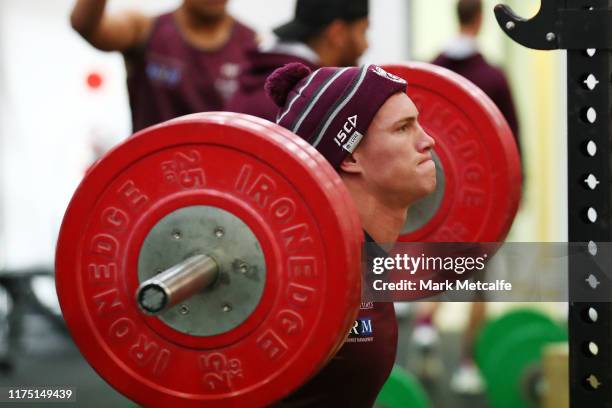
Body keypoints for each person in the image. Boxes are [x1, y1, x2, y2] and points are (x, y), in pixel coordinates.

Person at [264, 63, 436, 407]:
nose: (427, 140)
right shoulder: (313, 276)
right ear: (350, 154)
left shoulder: (365, 258)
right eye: (404, 128)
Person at [70, 0, 256, 132]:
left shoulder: (252, 45)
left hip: (220, 178)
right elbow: (86, 26)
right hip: (153, 175)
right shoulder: (144, 29)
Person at [226, 0, 369, 121]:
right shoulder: (314, 101)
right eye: (362, 31)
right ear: (337, 33)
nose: (366, 46)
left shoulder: (255, 76)